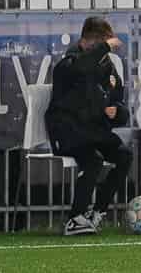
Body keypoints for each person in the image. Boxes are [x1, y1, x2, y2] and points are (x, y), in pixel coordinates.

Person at [47, 16, 133, 237]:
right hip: (67, 131)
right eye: (101, 45)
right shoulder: (69, 64)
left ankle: (97, 212)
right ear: (88, 42)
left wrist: (117, 112)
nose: (106, 52)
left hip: (93, 131)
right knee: (93, 160)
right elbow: (83, 68)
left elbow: (119, 103)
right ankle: (75, 218)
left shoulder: (108, 67)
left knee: (124, 156)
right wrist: (105, 47)